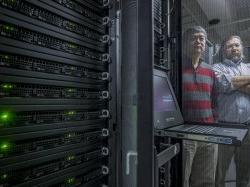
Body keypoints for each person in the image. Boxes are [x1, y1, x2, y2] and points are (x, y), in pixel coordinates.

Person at [182, 26, 218, 187]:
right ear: (185, 42)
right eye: (194, 38)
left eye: (201, 38)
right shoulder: (177, 66)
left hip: (208, 134)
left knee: (206, 181)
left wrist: (214, 125)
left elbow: (215, 100)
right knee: (182, 179)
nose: (198, 41)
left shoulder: (210, 71)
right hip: (185, 134)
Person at [213, 35, 250, 187]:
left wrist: (234, 82)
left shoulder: (248, 67)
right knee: (219, 173)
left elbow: (230, 83)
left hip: (247, 128)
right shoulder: (217, 68)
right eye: (230, 46)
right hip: (224, 128)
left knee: (245, 173)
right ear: (224, 50)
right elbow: (223, 84)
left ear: (242, 48)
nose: (234, 48)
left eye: (237, 45)